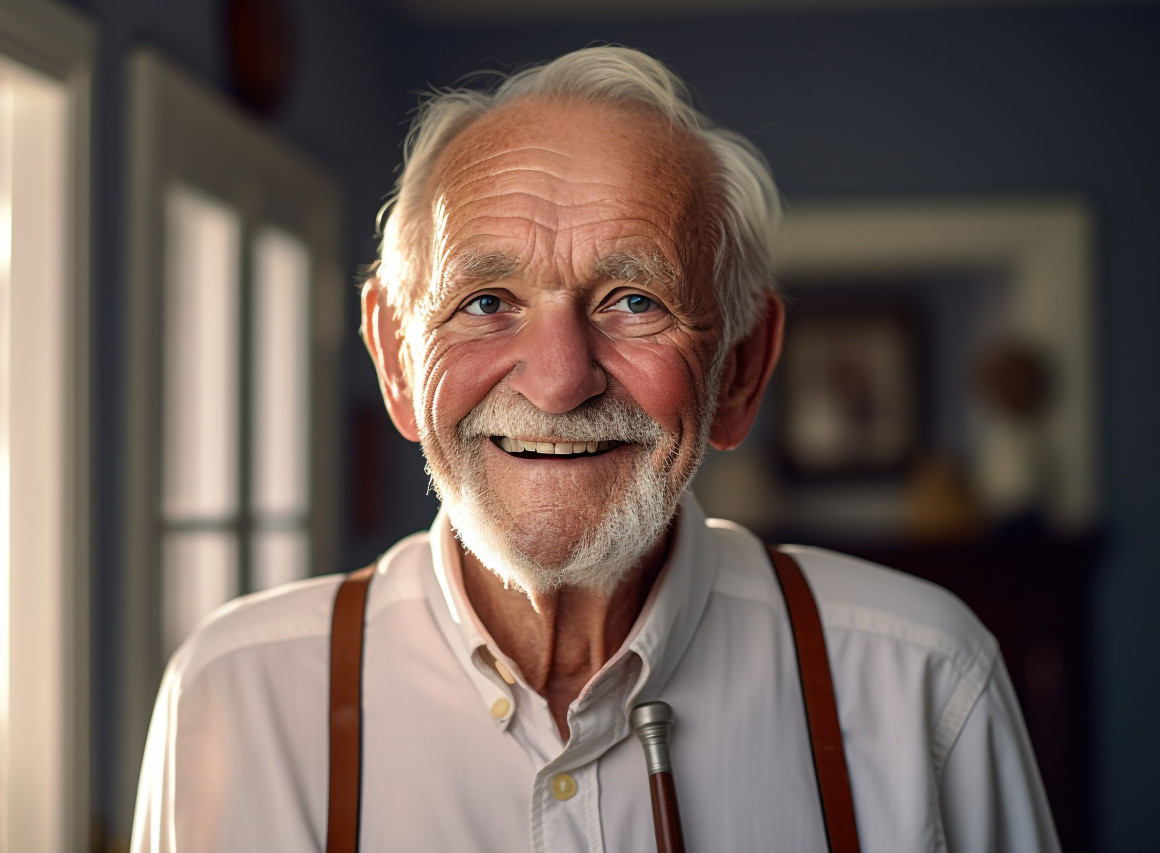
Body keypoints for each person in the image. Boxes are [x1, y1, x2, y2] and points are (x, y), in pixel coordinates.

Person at [130, 46, 1059, 852]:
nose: (561, 380)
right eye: (486, 301)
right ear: (396, 357)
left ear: (738, 368)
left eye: (635, 301)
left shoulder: (922, 681)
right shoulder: (237, 696)